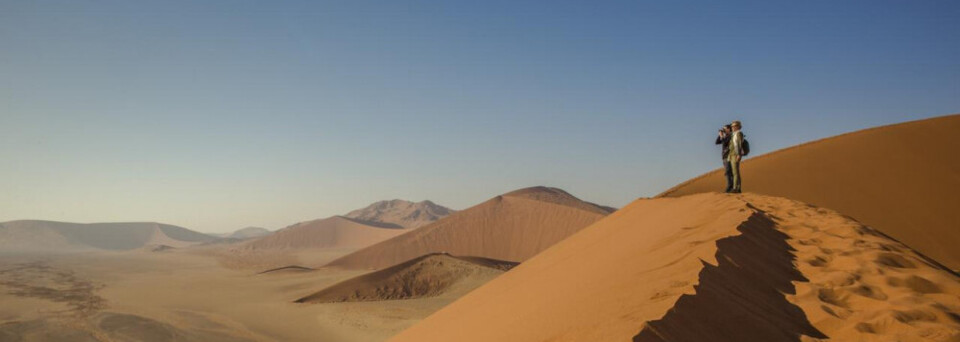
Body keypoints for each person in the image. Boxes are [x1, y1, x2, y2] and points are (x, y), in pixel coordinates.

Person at [727, 120, 745, 193]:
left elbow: (739, 145)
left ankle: (736, 188)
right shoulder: (734, 134)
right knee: (734, 172)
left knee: (735, 172)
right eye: (732, 126)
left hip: (735, 154)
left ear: (738, 127)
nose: (733, 127)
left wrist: (739, 155)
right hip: (731, 154)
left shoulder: (739, 133)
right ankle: (737, 188)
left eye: (734, 126)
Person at [715, 124, 733, 192]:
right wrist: (720, 135)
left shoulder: (730, 136)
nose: (723, 130)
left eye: (724, 129)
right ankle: (730, 186)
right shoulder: (725, 136)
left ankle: (729, 186)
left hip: (728, 156)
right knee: (727, 171)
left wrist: (722, 136)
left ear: (728, 129)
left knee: (728, 171)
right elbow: (716, 142)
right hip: (724, 156)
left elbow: (725, 142)